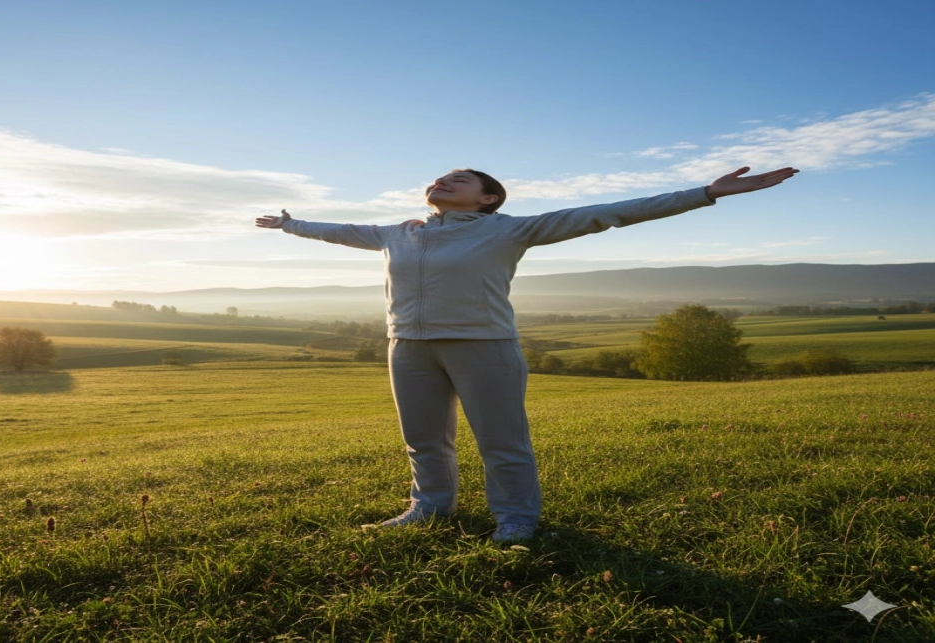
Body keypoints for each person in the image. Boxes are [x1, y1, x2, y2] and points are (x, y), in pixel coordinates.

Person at [255, 165, 799, 543]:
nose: (442, 181)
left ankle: (515, 519)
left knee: (502, 442)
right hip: (408, 348)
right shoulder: (400, 232)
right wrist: (290, 224)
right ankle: (429, 508)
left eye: (459, 179)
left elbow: (607, 213)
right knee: (423, 438)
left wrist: (705, 193)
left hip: (484, 346)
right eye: (439, 177)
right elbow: (338, 231)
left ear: (488, 198)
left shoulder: (508, 230)